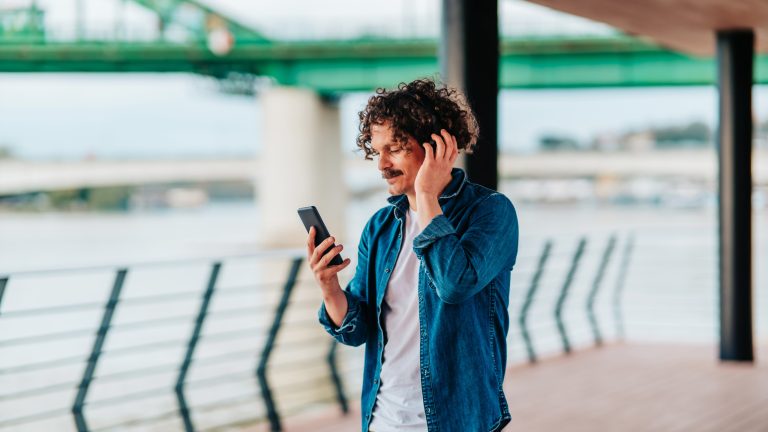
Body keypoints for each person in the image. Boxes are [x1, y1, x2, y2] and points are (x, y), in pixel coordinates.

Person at [306, 78, 519, 432]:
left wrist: (427, 198)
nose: (382, 164)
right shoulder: (380, 227)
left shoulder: (491, 212)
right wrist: (329, 288)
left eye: (396, 148)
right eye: (377, 151)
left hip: (459, 422)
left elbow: (454, 284)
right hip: (382, 420)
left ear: (437, 145)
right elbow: (357, 330)